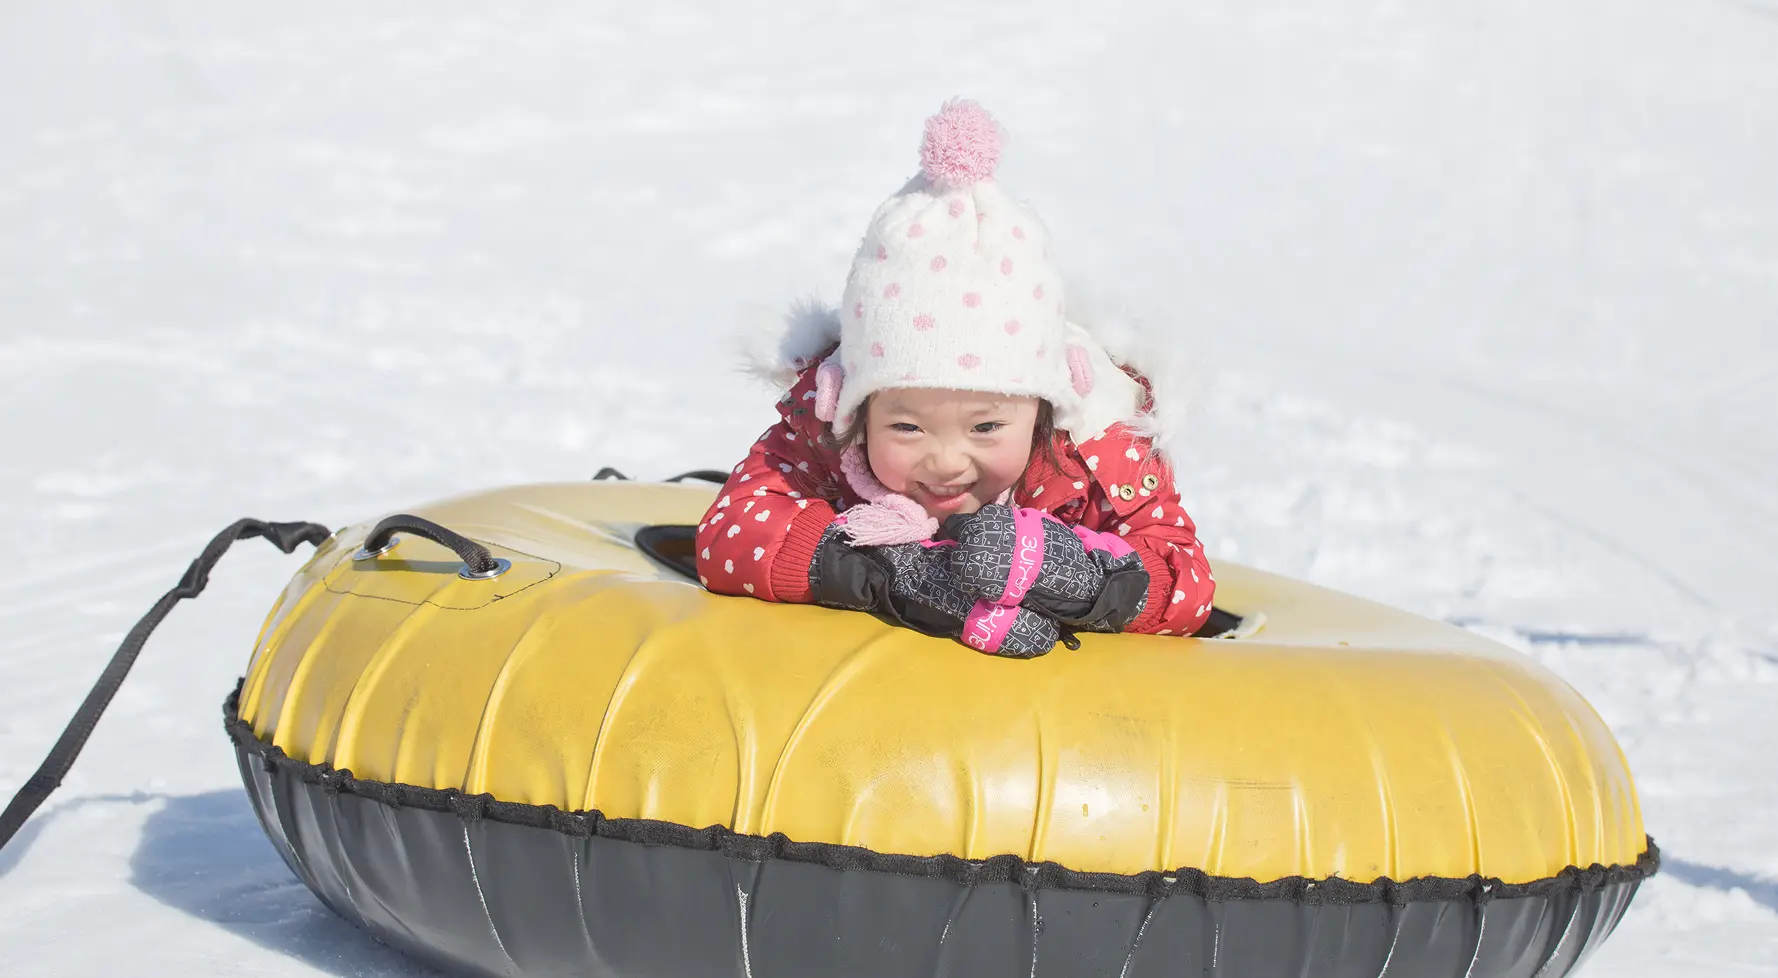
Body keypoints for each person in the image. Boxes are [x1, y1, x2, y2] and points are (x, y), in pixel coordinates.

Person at [695, 99, 1214, 657]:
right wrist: (890, 572)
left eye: (986, 426)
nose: (946, 461)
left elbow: (1184, 579)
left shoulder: (1091, 450)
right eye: (908, 428)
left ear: (1043, 406)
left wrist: (1078, 577)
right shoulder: (828, 431)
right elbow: (731, 531)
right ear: (854, 406)